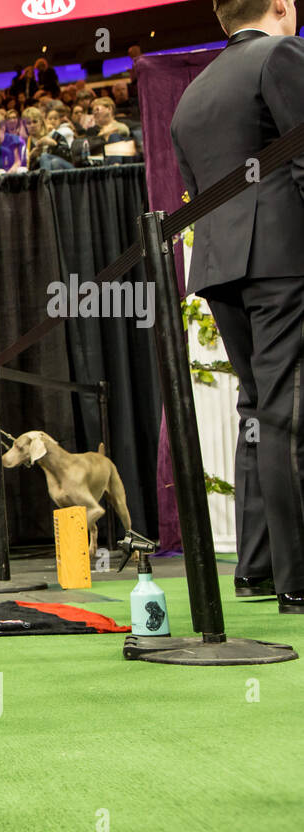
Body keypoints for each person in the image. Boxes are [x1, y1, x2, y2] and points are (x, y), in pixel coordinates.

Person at [171, 0, 304, 613]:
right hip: (282, 258)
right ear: (282, 5)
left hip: (222, 267)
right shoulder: (280, 54)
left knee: (258, 406)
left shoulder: (191, 92)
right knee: (286, 409)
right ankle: (296, 578)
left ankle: (257, 567)